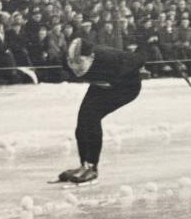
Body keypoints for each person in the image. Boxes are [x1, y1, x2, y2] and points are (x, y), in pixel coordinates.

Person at [55, 38, 146, 184]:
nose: (75, 67)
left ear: (91, 58)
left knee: (92, 116)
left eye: (79, 62)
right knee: (82, 119)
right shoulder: (67, 63)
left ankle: (92, 167)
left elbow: (140, 58)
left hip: (127, 87)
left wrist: (146, 42)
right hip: (101, 84)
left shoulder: (113, 60)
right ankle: (83, 164)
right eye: (72, 62)